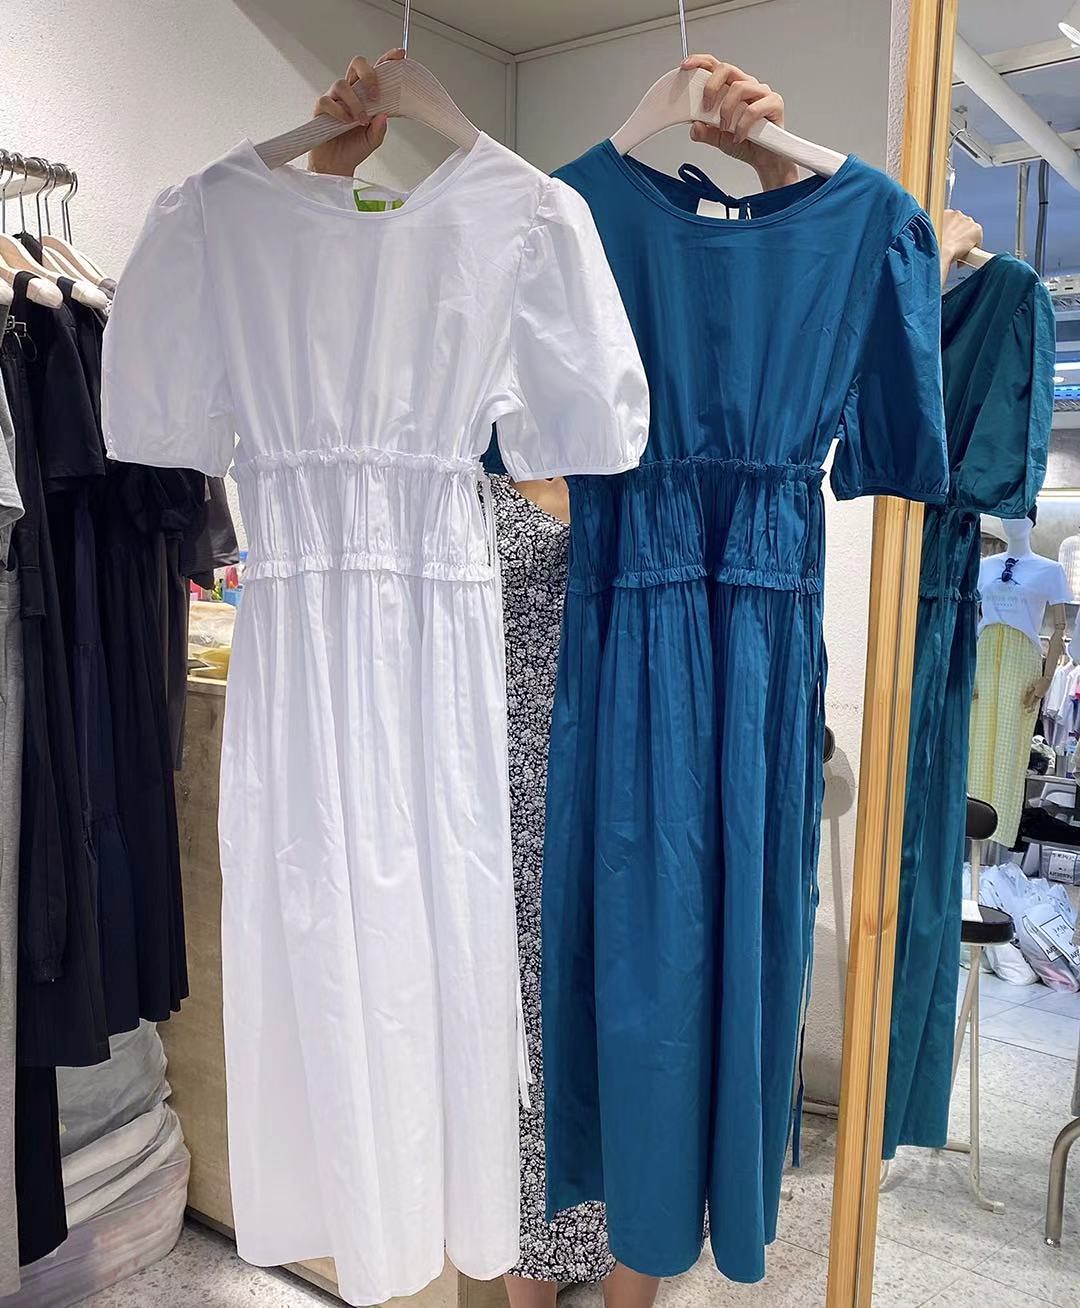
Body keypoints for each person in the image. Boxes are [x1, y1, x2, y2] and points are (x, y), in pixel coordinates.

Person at [308, 49, 803, 1308]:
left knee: (652, 1025)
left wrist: (768, 168)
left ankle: (633, 1282)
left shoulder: (659, 460)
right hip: (500, 791)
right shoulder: (464, 435)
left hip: (650, 780)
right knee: (522, 1050)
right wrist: (324, 178)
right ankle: (531, 1285)